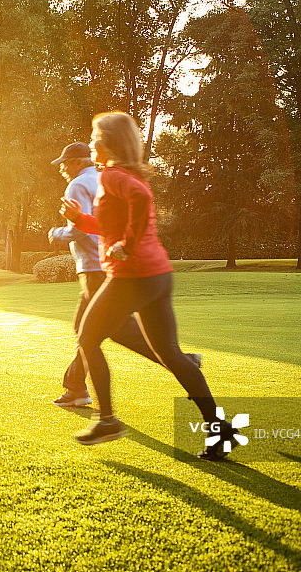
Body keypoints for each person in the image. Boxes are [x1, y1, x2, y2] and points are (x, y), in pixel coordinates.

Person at [60, 112, 238, 459]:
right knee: (171, 354)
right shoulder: (120, 174)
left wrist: (126, 244)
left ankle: (108, 419)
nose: (91, 143)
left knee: (86, 336)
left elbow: (141, 200)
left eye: (95, 137)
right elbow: (113, 224)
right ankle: (221, 430)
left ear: (110, 143)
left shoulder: (112, 175)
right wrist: (80, 220)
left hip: (133, 277)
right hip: (157, 276)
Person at [47, 142, 199, 409]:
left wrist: (56, 233)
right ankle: (75, 387)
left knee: (99, 332)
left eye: (65, 163)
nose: (62, 169)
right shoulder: (104, 180)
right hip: (110, 264)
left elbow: (79, 229)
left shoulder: (78, 185)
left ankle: (182, 363)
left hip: (96, 267)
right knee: (99, 331)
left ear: (77, 162)